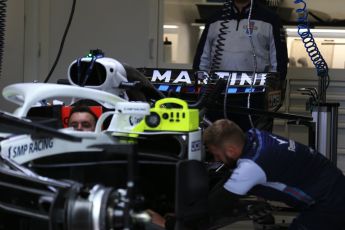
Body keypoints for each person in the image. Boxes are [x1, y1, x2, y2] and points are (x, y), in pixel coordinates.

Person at [203, 119, 345, 229]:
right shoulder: (256, 136)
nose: (216, 160)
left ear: (231, 150)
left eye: (217, 154)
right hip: (335, 186)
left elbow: (216, 204)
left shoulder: (251, 166)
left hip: (328, 204)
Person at [193, 0, 288, 132]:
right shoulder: (215, 18)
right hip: (216, 94)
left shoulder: (270, 18)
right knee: (216, 141)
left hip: (254, 95)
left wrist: (272, 93)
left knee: (253, 141)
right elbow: (202, 59)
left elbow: (279, 62)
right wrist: (201, 89)